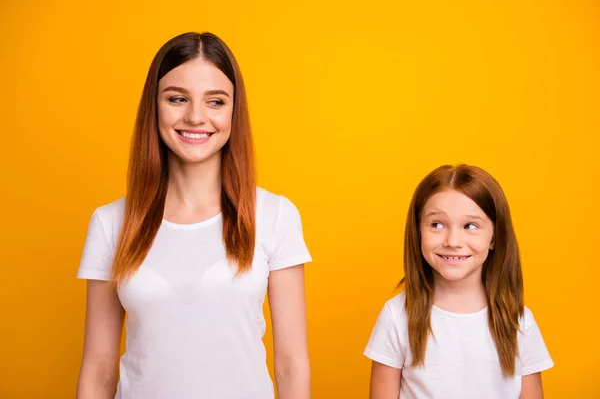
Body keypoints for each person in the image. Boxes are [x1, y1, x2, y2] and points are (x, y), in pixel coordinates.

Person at [76, 32, 312, 399]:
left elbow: (291, 363)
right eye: (177, 99)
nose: (195, 116)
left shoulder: (275, 215)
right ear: (154, 107)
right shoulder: (110, 223)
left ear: (234, 110)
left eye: (215, 101)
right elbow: (98, 371)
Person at [364, 164, 553, 399]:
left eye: (470, 226)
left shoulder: (518, 322)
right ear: (418, 231)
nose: (453, 241)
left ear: (494, 236)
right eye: (437, 224)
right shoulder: (396, 316)